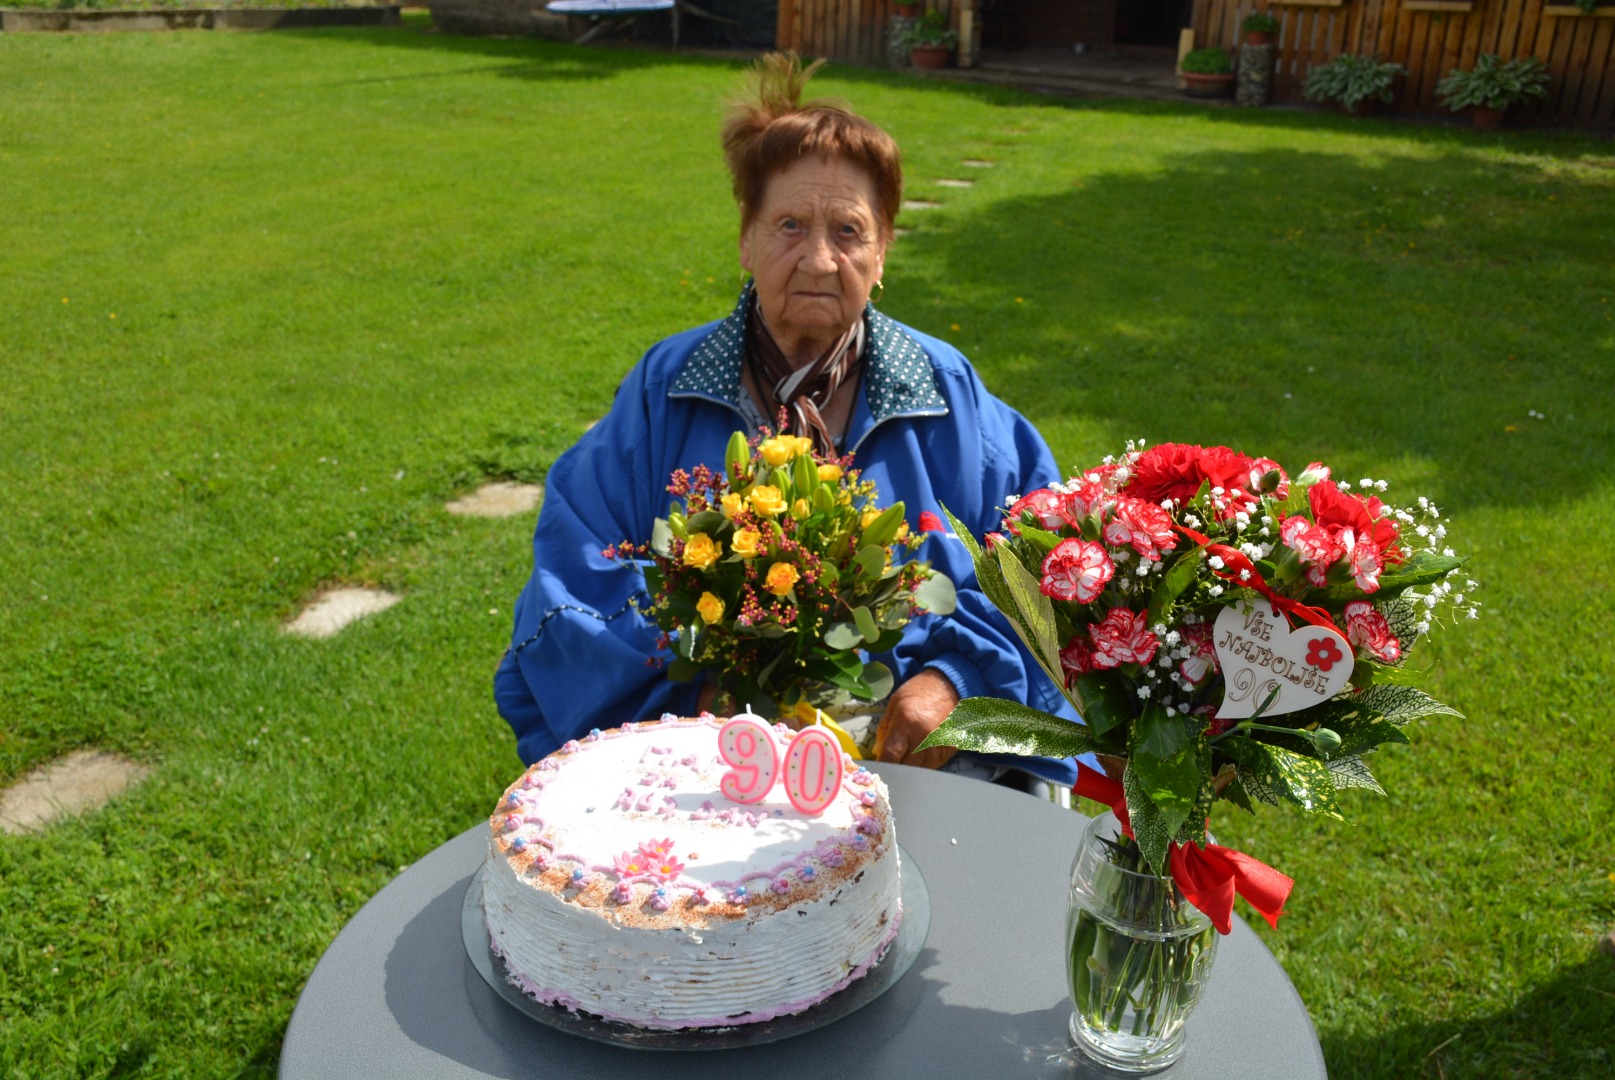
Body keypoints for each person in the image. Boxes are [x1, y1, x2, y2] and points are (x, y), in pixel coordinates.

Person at [494, 52, 1080, 785]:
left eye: (849, 231)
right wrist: (703, 705)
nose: (820, 259)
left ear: (883, 252)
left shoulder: (944, 386)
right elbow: (578, 566)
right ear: (746, 240)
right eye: (790, 225)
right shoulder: (666, 386)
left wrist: (954, 683)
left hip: (918, 757)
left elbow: (1043, 559)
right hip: (711, 753)